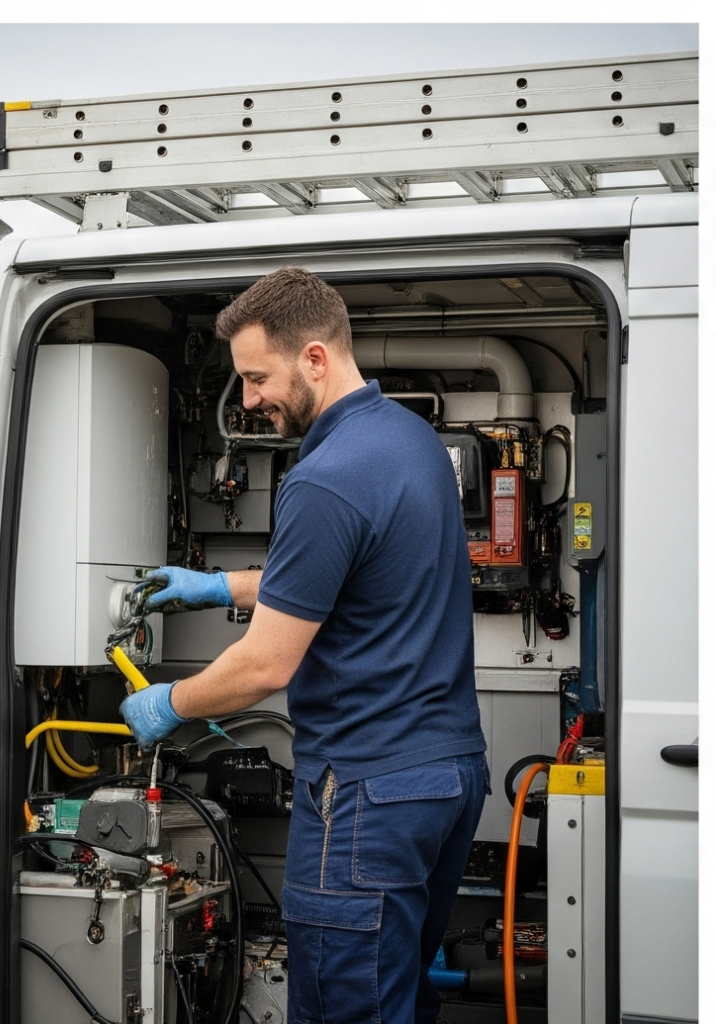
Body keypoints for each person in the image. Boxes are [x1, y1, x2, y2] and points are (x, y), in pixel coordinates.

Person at [120, 267, 489, 1024]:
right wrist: (220, 586)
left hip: (366, 793)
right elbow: (353, 572)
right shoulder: (409, 440)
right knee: (399, 999)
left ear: (314, 357)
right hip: (445, 778)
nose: (249, 400)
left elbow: (264, 665)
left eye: (258, 377)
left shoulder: (324, 478)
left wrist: (168, 703)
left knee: (345, 1010)